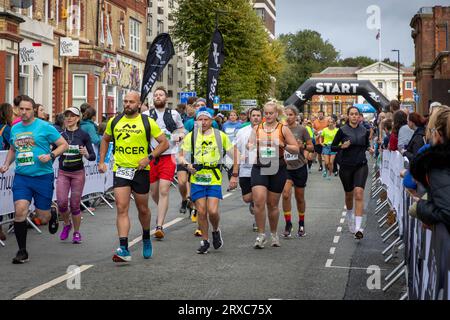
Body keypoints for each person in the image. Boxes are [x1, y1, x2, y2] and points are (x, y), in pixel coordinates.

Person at [98, 91, 169, 263]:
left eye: (131, 102)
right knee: (121, 207)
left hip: (141, 171)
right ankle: (123, 248)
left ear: (139, 104)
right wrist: (102, 161)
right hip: (121, 169)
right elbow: (106, 139)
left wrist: (149, 158)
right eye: (125, 101)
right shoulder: (115, 121)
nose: (127, 104)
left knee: (142, 209)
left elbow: (164, 143)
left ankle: (146, 236)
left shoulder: (147, 122)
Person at [0, 95, 69, 264]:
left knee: (42, 217)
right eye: (21, 109)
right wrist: (6, 164)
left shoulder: (45, 127)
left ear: (34, 110)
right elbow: (13, 149)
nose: (24, 112)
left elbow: (63, 144)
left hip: (42, 177)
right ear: (17, 110)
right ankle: (22, 251)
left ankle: (52, 212)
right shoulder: (15, 129)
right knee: (20, 210)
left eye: (27, 109)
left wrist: (51, 155)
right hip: (22, 177)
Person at [178, 107, 238, 254]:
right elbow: (180, 156)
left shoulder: (220, 136)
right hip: (197, 177)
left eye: (206, 119)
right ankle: (205, 240)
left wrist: (234, 175)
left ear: (211, 121)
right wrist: (187, 165)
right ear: (196, 121)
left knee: (212, 211)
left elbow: (236, 154)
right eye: (200, 119)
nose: (203, 122)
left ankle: (216, 230)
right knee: (202, 211)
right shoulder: (191, 136)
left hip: (213, 177)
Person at [248, 101, 299, 249]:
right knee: (258, 200)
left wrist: (282, 145)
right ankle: (261, 235)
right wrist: (252, 144)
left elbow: (295, 149)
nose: (268, 116)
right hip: (259, 166)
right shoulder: (257, 128)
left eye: (271, 113)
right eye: (266, 113)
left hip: (278, 167)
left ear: (277, 114)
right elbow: (249, 145)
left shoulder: (283, 129)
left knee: (272, 204)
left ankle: (274, 234)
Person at [143, 87, 185, 240]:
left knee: (164, 190)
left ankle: (159, 225)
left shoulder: (174, 114)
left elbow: (182, 130)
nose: (158, 97)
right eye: (156, 95)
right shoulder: (146, 115)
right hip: (152, 156)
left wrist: (179, 136)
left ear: (166, 98)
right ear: (153, 99)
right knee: (154, 192)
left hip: (169, 156)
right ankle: (161, 209)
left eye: (161, 95)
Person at [331, 106, 373, 239]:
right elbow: (332, 147)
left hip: (361, 165)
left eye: (356, 114)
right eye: (352, 114)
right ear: (348, 116)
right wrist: (341, 146)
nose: (354, 116)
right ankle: (350, 217)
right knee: (349, 195)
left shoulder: (364, 131)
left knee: (359, 193)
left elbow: (366, 145)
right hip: (346, 166)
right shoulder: (342, 131)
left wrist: (370, 149)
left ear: (359, 116)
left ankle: (358, 228)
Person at [56, 107, 96, 244]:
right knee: (61, 203)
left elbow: (92, 156)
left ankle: (77, 232)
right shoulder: (60, 135)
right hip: (63, 172)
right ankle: (67, 224)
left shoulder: (84, 135)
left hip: (78, 173)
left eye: (72, 115)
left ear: (78, 118)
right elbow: (51, 149)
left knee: (74, 205)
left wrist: (86, 153)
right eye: (67, 115)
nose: (69, 118)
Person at [409, 107, 450, 232]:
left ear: (436, 134)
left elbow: (447, 212)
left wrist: (421, 207)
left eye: (431, 130)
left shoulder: (438, 165)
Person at [281, 106, 313, 238]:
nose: (288, 117)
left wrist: (303, 147)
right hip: (285, 168)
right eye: (286, 115)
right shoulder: (280, 129)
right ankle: (288, 224)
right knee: (286, 194)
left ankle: (301, 223)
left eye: (290, 114)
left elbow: (311, 147)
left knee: (299, 198)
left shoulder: (302, 129)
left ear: (295, 116)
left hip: (299, 167)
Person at [234, 107, 262, 232]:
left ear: (261, 117)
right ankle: (252, 203)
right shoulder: (242, 131)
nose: (256, 117)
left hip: (261, 168)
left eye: (258, 115)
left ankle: (257, 220)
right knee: (247, 198)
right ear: (249, 117)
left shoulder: (266, 130)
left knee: (258, 197)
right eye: (253, 115)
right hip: (245, 168)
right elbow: (236, 149)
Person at [222, 110, 242, 180]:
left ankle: (235, 179)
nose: (232, 116)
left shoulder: (240, 125)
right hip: (227, 148)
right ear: (228, 117)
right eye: (231, 115)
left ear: (237, 116)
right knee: (228, 166)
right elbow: (223, 135)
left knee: (236, 165)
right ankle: (230, 181)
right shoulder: (225, 125)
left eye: (234, 115)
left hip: (236, 148)